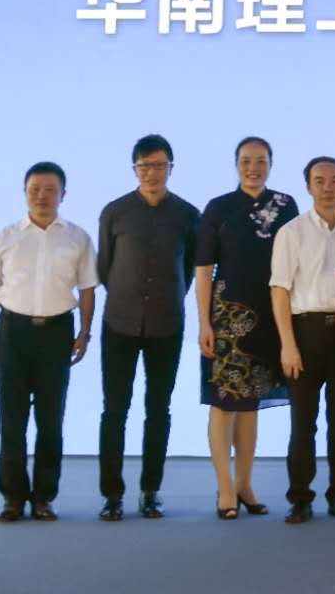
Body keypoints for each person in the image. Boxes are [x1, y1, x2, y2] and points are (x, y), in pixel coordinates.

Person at [0, 162, 97, 522]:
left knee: (50, 420)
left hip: (57, 334)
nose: (42, 196)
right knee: (11, 420)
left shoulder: (77, 238)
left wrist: (84, 333)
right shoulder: (6, 236)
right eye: (34, 189)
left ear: (63, 194)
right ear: (25, 192)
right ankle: (12, 498)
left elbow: (87, 289)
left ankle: (44, 497)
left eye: (50, 189)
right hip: (13, 333)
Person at [97, 132, 197, 520]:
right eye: (144, 166)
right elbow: (105, 268)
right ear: (134, 169)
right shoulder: (115, 211)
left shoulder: (187, 214)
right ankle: (112, 495)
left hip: (166, 325)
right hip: (119, 323)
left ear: (171, 168)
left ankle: (150, 490)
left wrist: (165, 298)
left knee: (158, 409)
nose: (152, 173)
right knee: (114, 410)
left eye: (159, 165)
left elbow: (188, 270)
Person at [196, 135, 297, 520]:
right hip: (227, 318)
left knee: (251, 403)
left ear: (270, 164)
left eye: (260, 161)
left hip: (271, 313)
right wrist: (204, 322)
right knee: (224, 402)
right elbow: (203, 269)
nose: (253, 168)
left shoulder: (286, 205)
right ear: (235, 164)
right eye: (245, 161)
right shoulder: (218, 208)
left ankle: (245, 484)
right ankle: (224, 487)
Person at [269, 155, 335, 523]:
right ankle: (300, 498)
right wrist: (288, 345)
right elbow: (280, 290)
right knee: (303, 423)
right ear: (308, 186)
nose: (328, 187)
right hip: (304, 334)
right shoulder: (291, 232)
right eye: (319, 181)